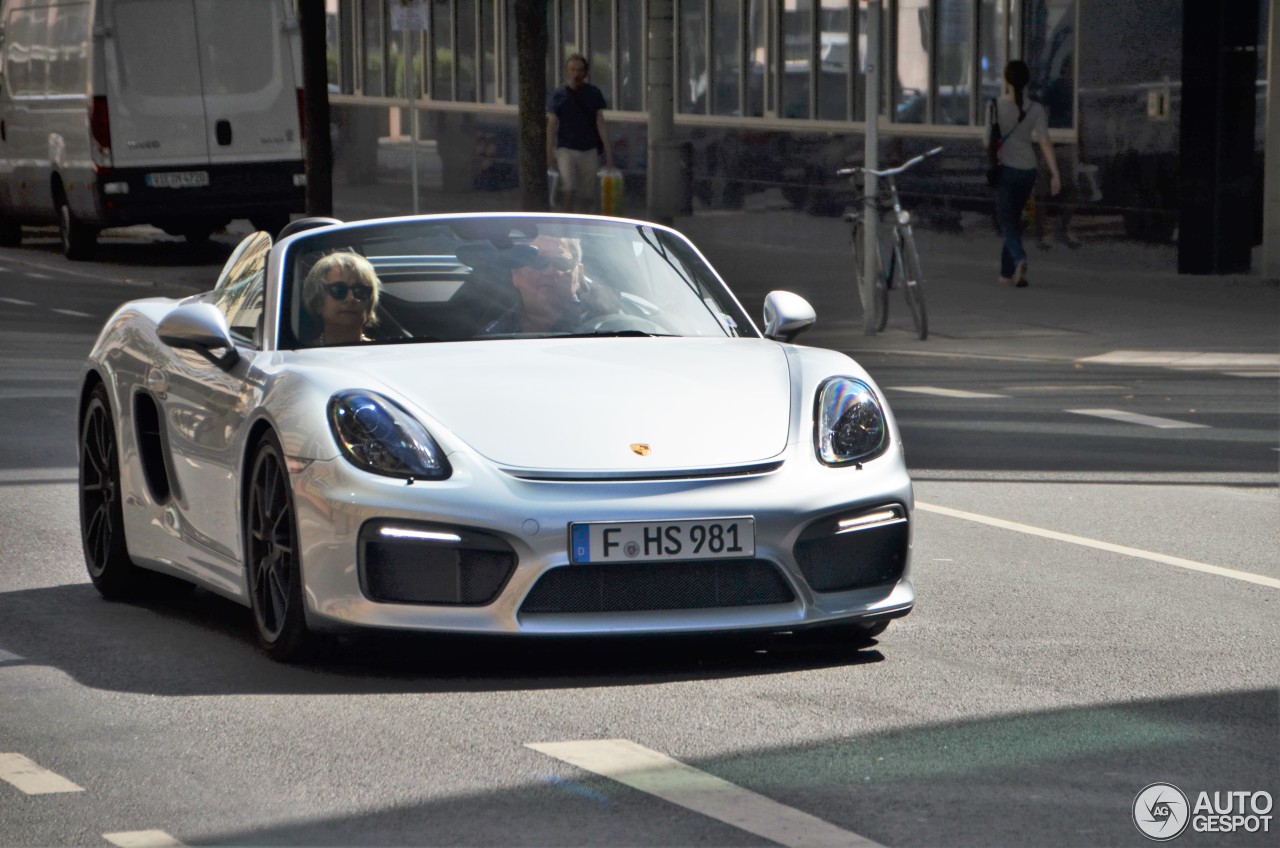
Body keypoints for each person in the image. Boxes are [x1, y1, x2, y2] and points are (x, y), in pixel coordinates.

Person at [985, 60, 1061, 287]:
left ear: (1006, 80)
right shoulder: (1036, 109)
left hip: (1005, 170)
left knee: (1006, 221)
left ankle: (1020, 259)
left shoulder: (994, 106)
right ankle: (1006, 274)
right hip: (1028, 171)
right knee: (1013, 219)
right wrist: (1055, 173)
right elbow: (1045, 142)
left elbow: (986, 141)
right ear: (1027, 82)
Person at [483, 235, 612, 334]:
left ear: (579, 276)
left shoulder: (603, 328)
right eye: (538, 261)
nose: (550, 271)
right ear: (515, 274)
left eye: (561, 262)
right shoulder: (491, 335)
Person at [547, 54, 614, 213]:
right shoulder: (559, 94)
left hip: (589, 149)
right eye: (572, 70)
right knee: (568, 188)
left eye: (579, 70)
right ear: (567, 72)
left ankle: (583, 226)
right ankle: (566, 225)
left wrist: (608, 151)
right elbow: (552, 125)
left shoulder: (593, 93)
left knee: (586, 194)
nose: (575, 74)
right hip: (566, 148)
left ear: (585, 73)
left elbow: (600, 122)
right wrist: (548, 154)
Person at [302, 251, 381, 344]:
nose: (351, 298)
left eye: (360, 291)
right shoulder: (301, 356)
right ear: (317, 301)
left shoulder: (385, 356)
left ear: (370, 304)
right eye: (339, 290)